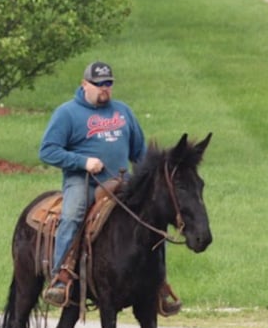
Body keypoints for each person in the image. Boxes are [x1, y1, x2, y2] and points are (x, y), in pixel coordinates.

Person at [39, 61, 182, 315]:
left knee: (154, 221)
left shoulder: (123, 112)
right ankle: (61, 276)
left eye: (109, 84)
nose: (105, 89)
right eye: (99, 84)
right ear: (85, 85)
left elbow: (139, 153)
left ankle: (157, 283)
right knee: (73, 214)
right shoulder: (67, 113)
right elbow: (48, 150)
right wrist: (83, 162)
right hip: (83, 181)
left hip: (122, 183)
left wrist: (149, 182)